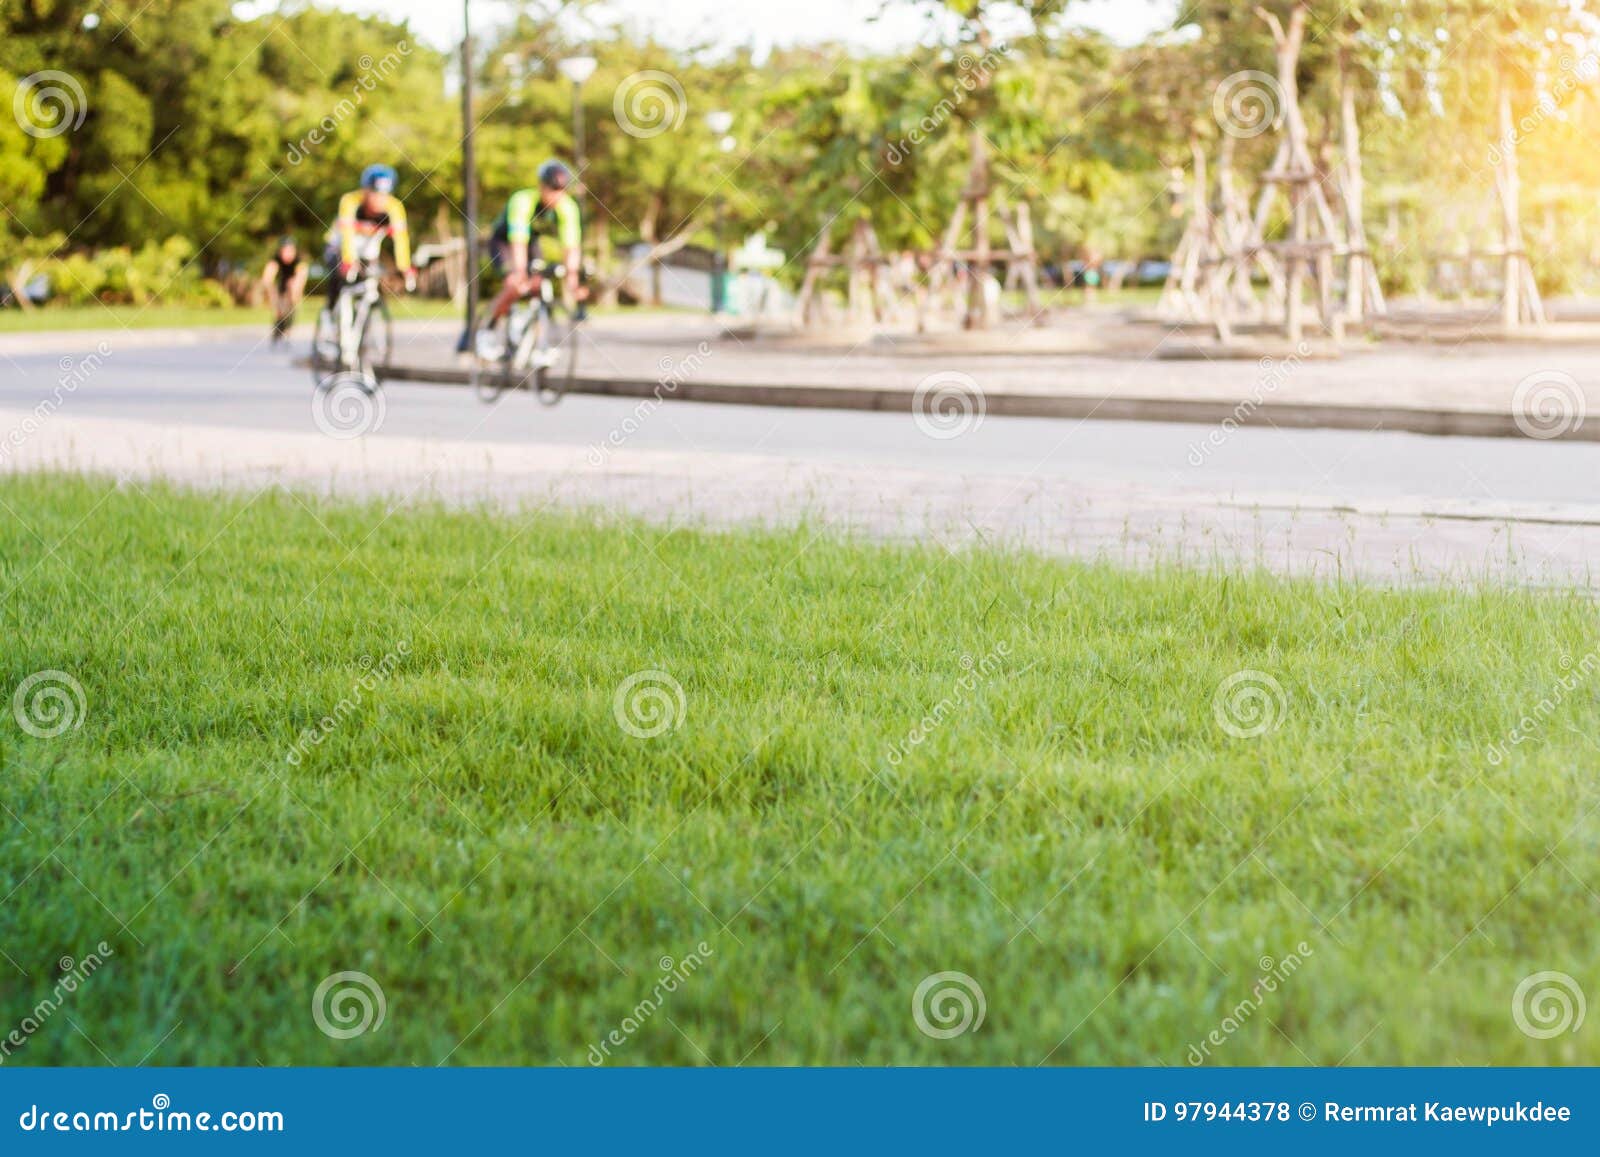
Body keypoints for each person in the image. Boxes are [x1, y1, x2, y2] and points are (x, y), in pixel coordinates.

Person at [485, 159, 585, 326]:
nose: (556, 196)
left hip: (532, 243)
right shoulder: (523, 200)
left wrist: (572, 280)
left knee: (538, 285)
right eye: (552, 190)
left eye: (561, 190)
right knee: (515, 284)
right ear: (541, 186)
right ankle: (489, 326)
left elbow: (571, 247)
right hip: (504, 242)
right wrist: (520, 271)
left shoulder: (568, 207)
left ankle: (533, 340)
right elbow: (518, 240)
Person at [323, 163, 416, 318]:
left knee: (368, 281)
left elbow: (401, 239)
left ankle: (361, 324)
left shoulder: (395, 206)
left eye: (384, 194)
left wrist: (404, 267)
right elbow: (347, 234)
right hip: (338, 244)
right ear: (365, 190)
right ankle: (329, 313)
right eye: (374, 193)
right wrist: (348, 260)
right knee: (339, 275)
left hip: (366, 249)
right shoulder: (350, 201)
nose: (379, 199)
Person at [261, 235, 308, 343]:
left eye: (290, 250)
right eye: (285, 250)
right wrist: (273, 297)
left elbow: (302, 276)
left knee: (292, 299)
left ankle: (288, 327)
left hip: (293, 283)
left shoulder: (298, 260)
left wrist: (295, 293)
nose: (288, 253)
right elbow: (267, 278)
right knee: (279, 307)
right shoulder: (276, 259)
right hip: (281, 283)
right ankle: (278, 325)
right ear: (280, 251)